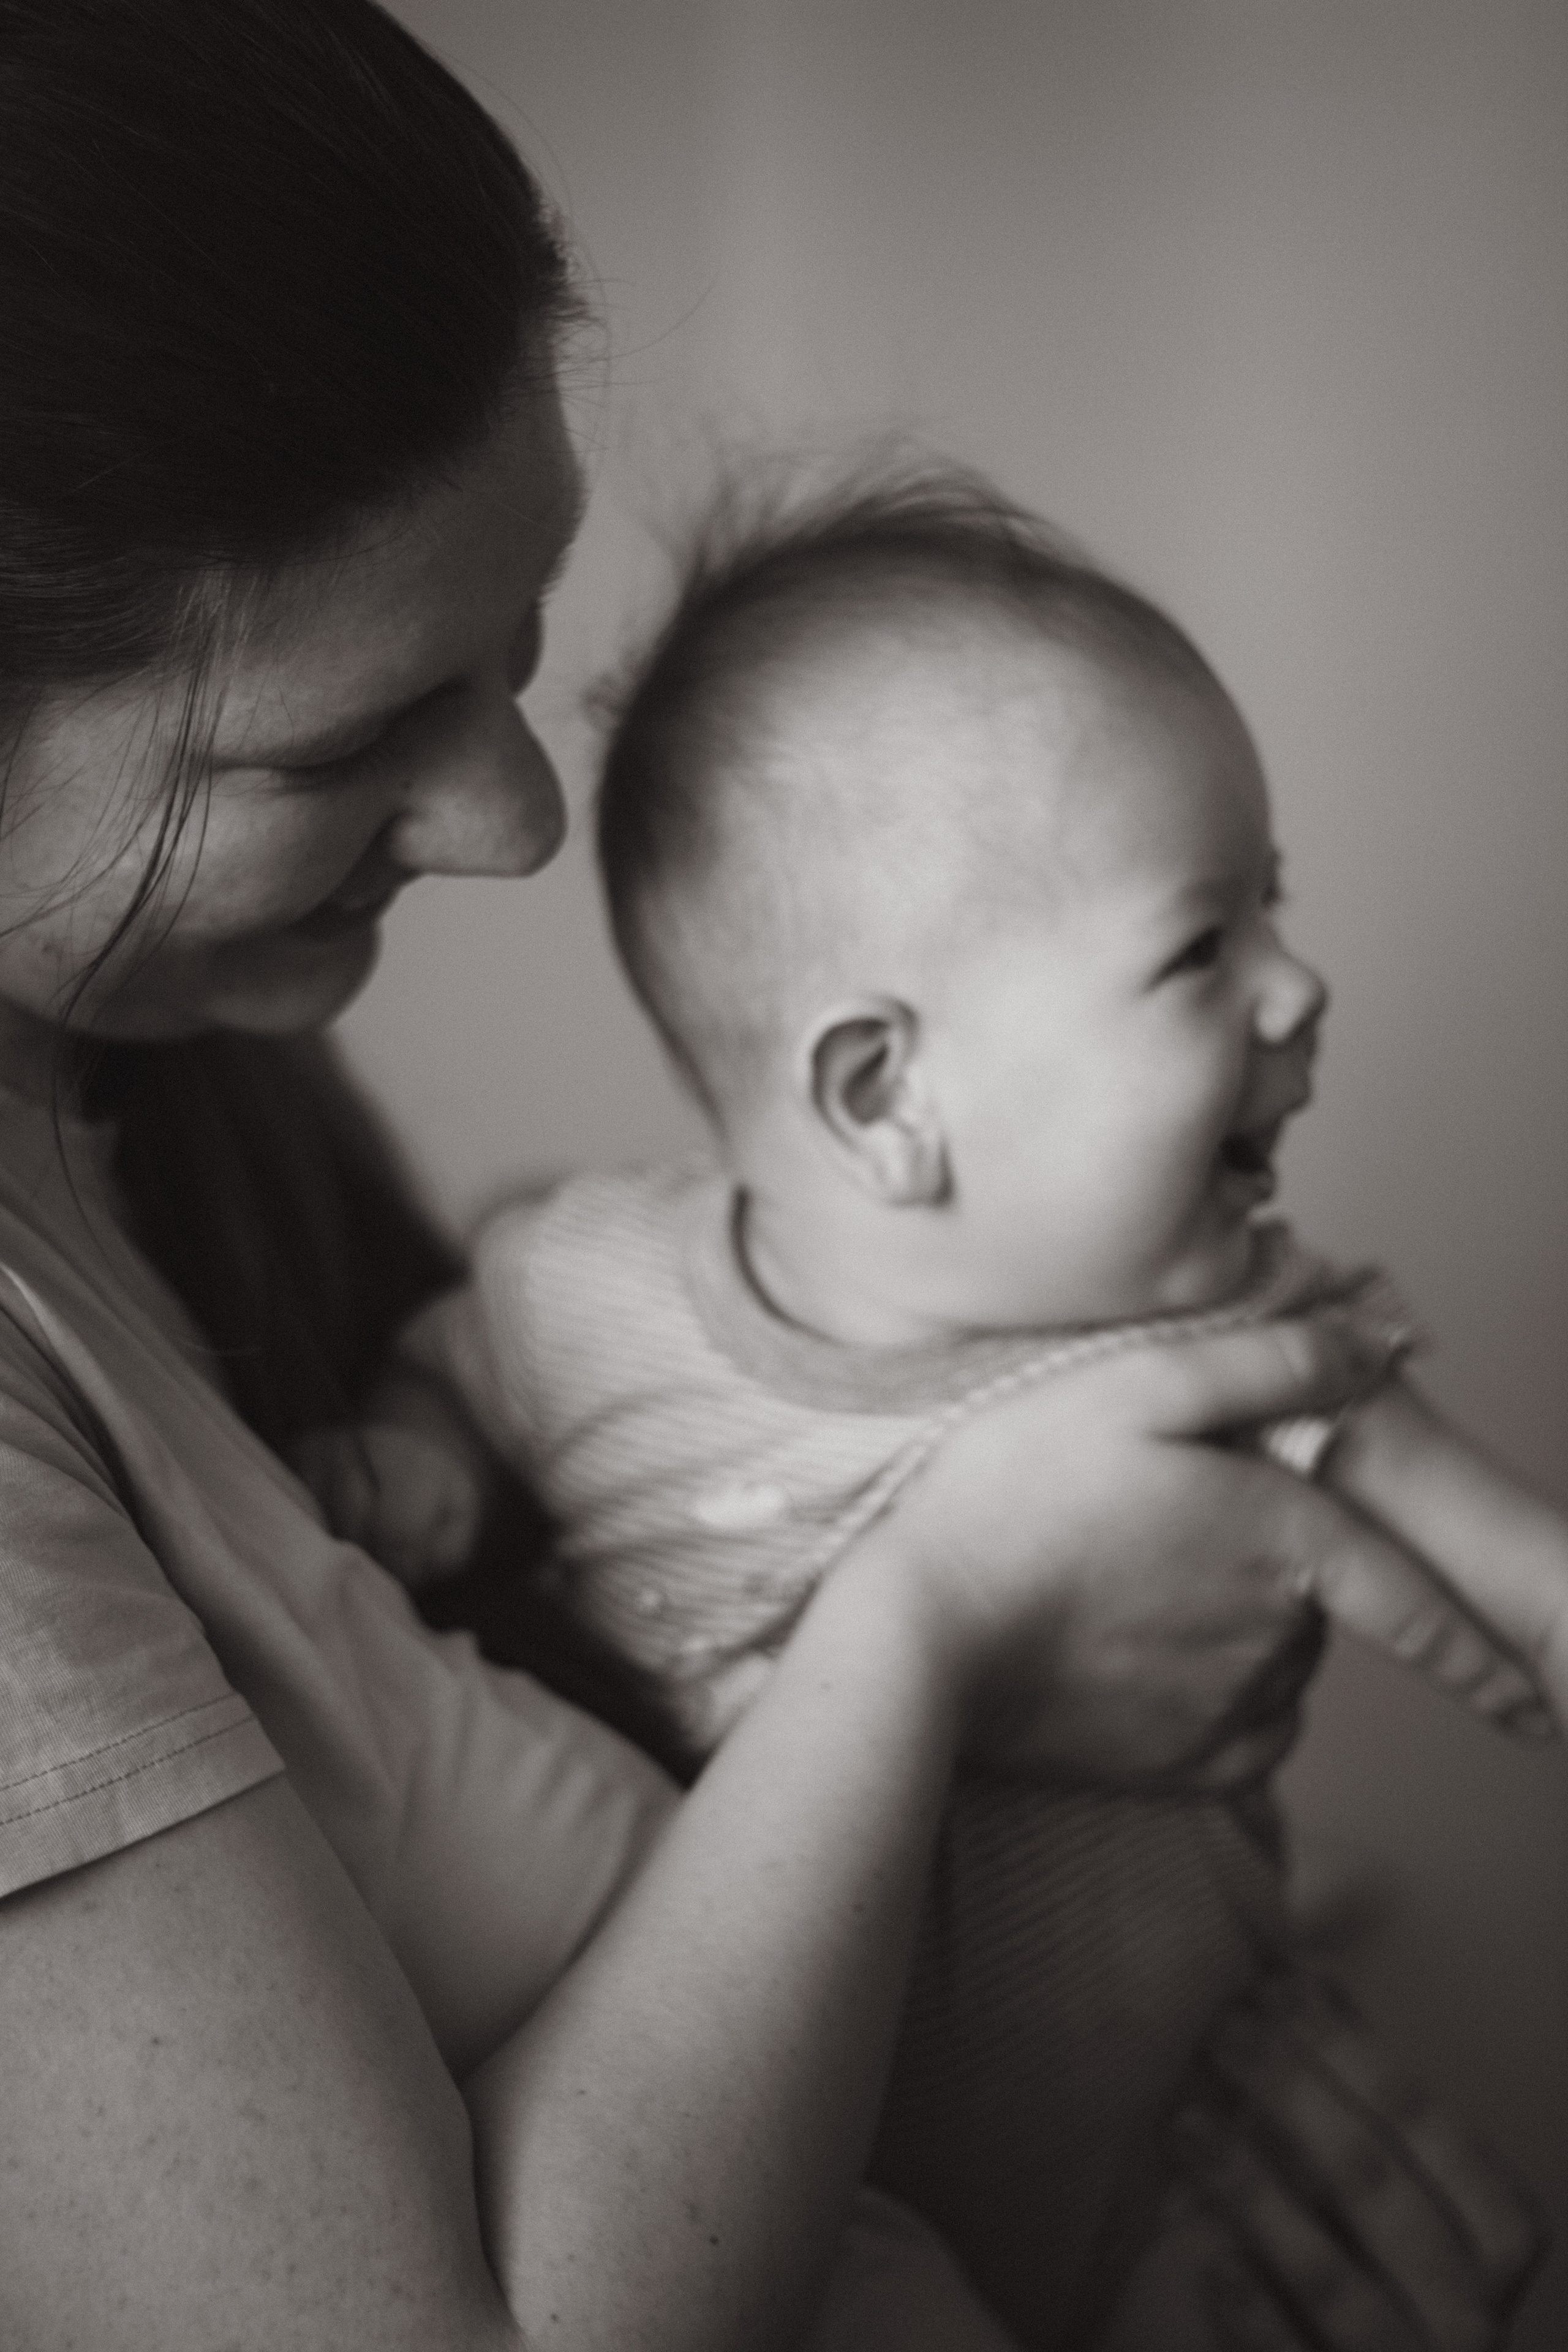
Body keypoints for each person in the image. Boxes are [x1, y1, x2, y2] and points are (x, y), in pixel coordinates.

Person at [0, 4, 1553, 2347]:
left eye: (515, 662)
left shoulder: (141, 1095)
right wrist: (939, 1618)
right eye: (348, 741)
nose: (525, 827)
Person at [299, 470, 1568, 2345]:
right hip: (805, 2233)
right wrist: (418, 1459)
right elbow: (461, 1363)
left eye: (1273, 905)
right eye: (1199, 945)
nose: (1302, 987)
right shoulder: (585, 1287)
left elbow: (1530, 1581)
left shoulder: (1224, 1341)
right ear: (885, 1096)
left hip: (1187, 2197)